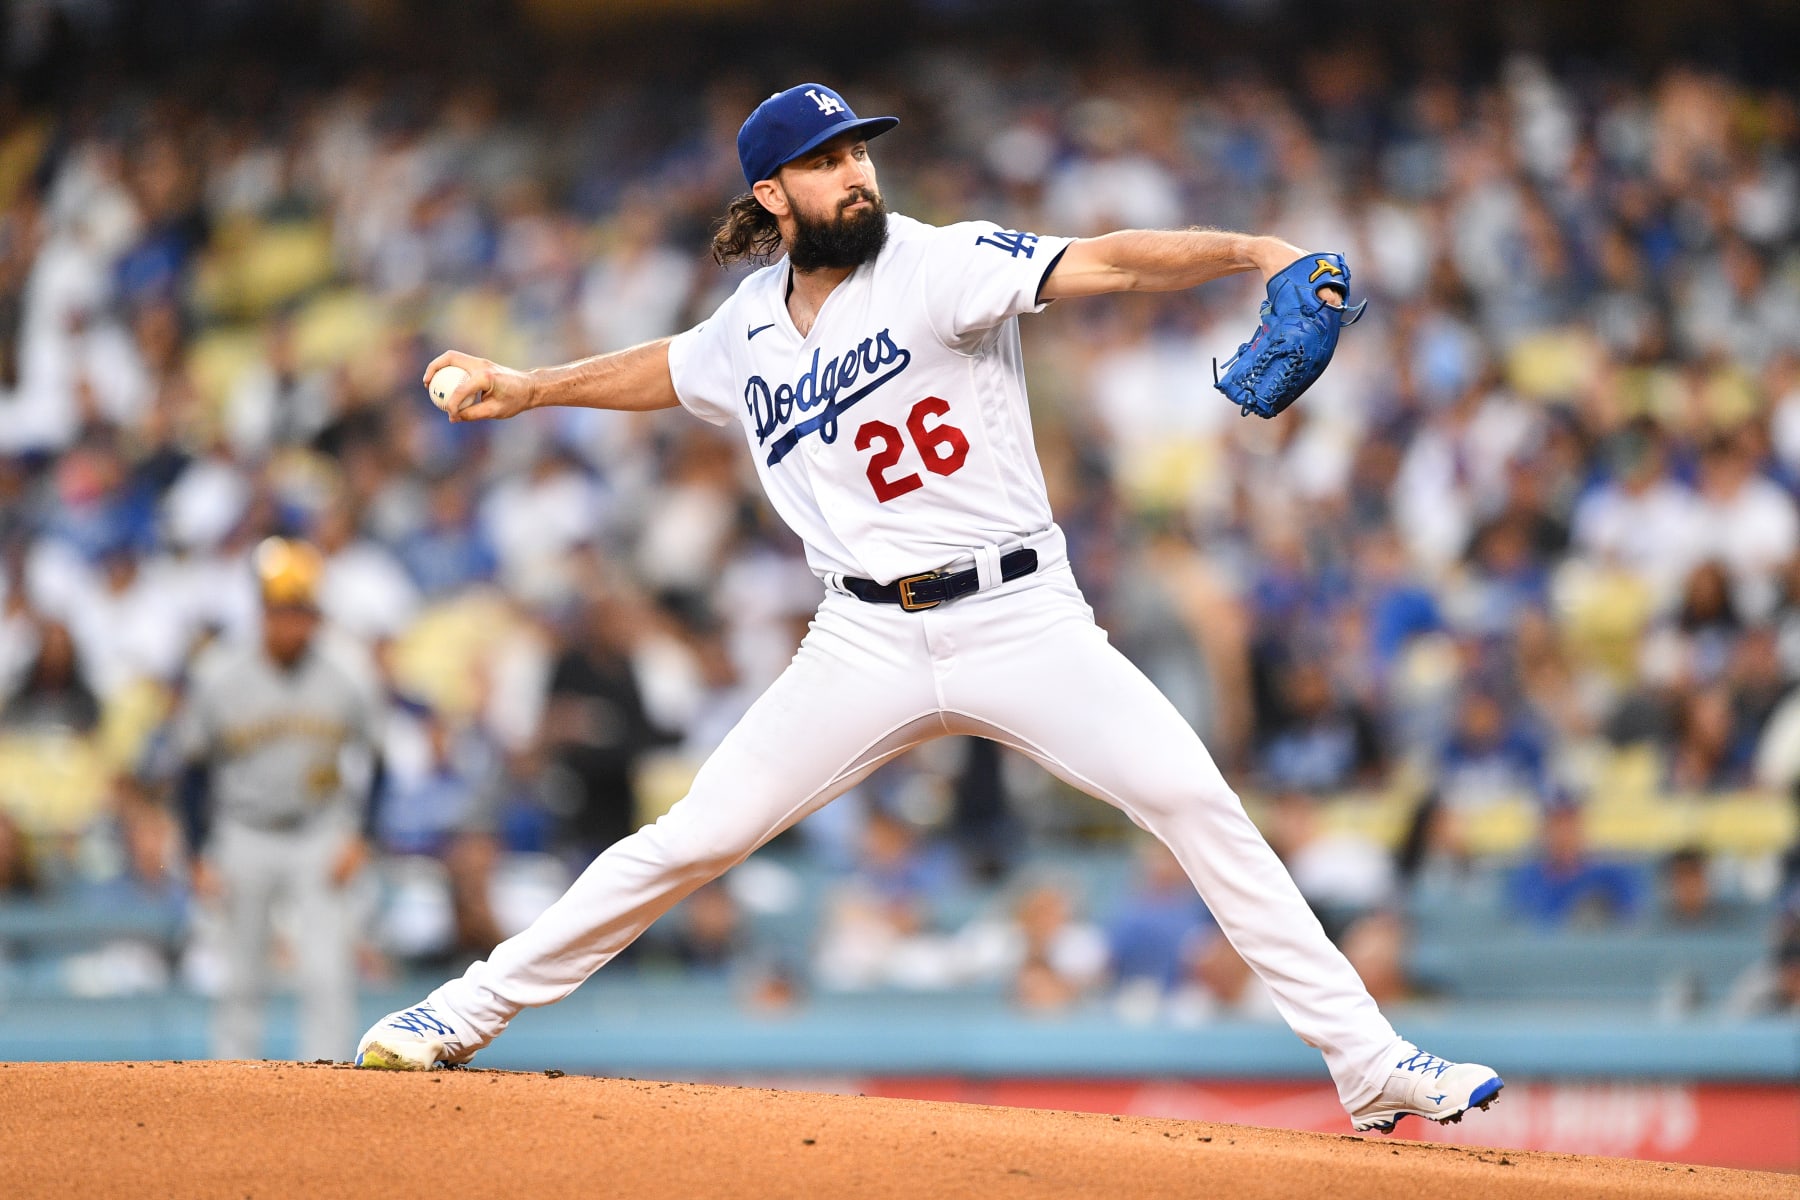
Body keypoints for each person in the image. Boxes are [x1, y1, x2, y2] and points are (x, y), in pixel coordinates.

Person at [356, 83, 1502, 1134]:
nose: (855, 172)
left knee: (1196, 801)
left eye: (858, 149)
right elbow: (671, 367)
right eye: (824, 160)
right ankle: (457, 1014)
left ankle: (1370, 1062)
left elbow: (1106, 261)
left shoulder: (938, 263)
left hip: (1022, 616)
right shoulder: (747, 326)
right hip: (861, 637)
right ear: (772, 194)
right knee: (693, 838)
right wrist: (533, 386)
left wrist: (1255, 249)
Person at [174, 537, 384, 1061]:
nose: (291, 623)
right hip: (244, 832)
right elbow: (191, 773)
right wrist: (197, 852)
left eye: (301, 611)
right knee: (242, 972)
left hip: (319, 830)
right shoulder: (219, 672)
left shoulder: (348, 671)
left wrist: (364, 836)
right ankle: (233, 1082)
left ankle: (334, 1087)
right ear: (261, 610)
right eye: (280, 610)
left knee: (326, 972)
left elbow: (381, 762)